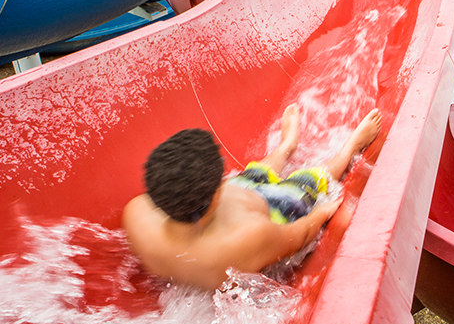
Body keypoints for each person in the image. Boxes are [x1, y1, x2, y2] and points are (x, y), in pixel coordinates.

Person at [123, 106, 382, 290]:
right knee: (309, 179)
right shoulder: (247, 238)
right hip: (272, 209)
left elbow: (189, 190)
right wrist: (323, 212)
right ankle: (351, 147)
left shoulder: (136, 214)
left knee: (254, 173)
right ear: (216, 193)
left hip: (229, 199)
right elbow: (300, 235)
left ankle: (286, 146)